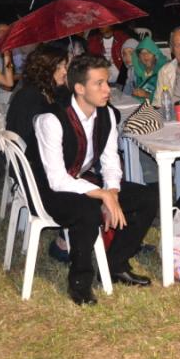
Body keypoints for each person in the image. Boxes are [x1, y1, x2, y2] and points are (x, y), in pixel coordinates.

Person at [31, 55, 157, 305]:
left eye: (107, 82)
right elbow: (57, 179)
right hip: (47, 188)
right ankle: (80, 282)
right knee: (88, 211)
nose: (107, 89)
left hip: (83, 178)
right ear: (79, 88)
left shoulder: (106, 114)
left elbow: (110, 161)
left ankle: (115, 264)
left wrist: (112, 192)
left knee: (148, 198)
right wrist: (102, 195)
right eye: (99, 83)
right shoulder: (52, 119)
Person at [5, 44, 70, 154]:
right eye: (61, 66)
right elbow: (26, 137)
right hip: (32, 158)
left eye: (65, 66)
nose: (65, 71)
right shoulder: (28, 97)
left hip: (44, 150)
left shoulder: (53, 91)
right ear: (47, 69)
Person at [129, 36, 168, 102]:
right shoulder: (137, 72)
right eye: (142, 53)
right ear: (139, 58)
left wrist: (147, 95)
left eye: (149, 52)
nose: (145, 55)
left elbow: (168, 96)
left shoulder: (164, 72)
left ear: (155, 55)